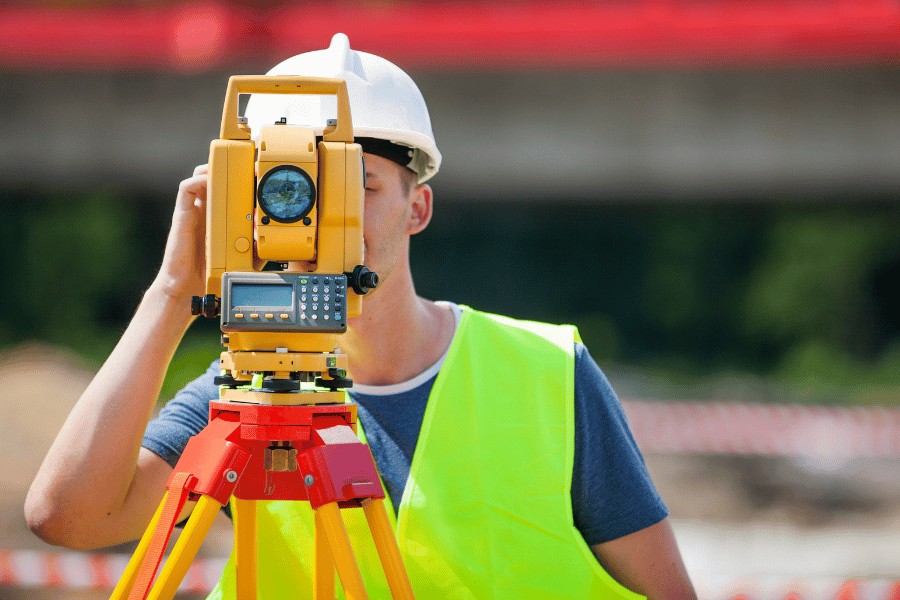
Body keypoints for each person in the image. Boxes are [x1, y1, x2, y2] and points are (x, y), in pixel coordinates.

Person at [26, 34, 696, 599]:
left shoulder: (548, 375)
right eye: (293, 187)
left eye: (359, 185)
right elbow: (68, 517)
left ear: (418, 208)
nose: (322, 218)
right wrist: (174, 291)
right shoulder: (241, 394)